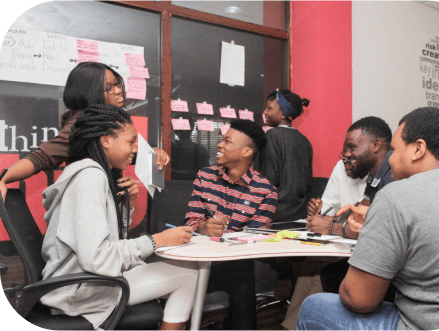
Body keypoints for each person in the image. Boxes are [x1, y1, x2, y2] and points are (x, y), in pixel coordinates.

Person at [297, 107, 439, 331]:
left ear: (418, 149)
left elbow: (358, 300)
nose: (390, 160)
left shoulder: (396, 195)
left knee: (314, 306)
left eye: (394, 150)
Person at [40, 104, 199, 331]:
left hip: (83, 283)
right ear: (105, 140)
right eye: (130, 142)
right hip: (79, 293)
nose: (134, 149)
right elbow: (97, 258)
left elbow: (106, 240)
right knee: (188, 275)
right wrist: (157, 241)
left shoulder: (89, 172)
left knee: (186, 271)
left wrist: (127, 206)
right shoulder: (90, 177)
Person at [282, 116, 394, 330]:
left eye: (352, 147)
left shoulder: (394, 175)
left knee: (319, 275)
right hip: (369, 258)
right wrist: (330, 219)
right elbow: (359, 216)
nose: (346, 155)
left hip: (386, 274)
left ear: (377, 145)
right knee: (312, 268)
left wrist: (333, 227)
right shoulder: (376, 177)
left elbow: (377, 229)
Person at [0, 61, 169, 201]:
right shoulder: (82, 124)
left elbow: (114, 152)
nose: (118, 90)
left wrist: (151, 154)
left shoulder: (104, 121)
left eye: (117, 83)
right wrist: (4, 179)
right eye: (109, 88)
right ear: (91, 93)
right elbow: (42, 157)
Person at [185, 119, 278, 330]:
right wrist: (202, 228)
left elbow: (255, 236)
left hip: (235, 263)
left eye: (227, 141)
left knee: (242, 281)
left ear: (246, 152)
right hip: (201, 260)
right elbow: (191, 220)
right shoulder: (204, 177)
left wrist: (226, 238)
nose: (220, 144)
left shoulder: (266, 191)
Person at [255, 88, 312, 223]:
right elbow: (307, 183)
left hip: (274, 214)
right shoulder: (305, 140)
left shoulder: (272, 136)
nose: (264, 112)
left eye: (269, 108)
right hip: (299, 214)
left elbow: (268, 180)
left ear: (282, 114)